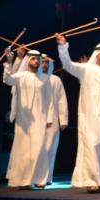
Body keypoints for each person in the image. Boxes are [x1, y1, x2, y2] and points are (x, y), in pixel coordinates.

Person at [57, 27, 100, 193]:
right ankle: (92, 180)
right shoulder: (86, 69)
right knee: (92, 145)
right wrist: (63, 46)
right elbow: (67, 64)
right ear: (97, 54)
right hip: (90, 117)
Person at [3, 49, 52, 189]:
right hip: (23, 121)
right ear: (28, 60)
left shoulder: (44, 79)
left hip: (40, 119)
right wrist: (9, 62)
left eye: (38, 59)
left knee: (39, 148)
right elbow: (7, 80)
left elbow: (49, 100)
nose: (37, 61)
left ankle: (39, 179)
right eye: (33, 59)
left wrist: (49, 118)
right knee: (23, 150)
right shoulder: (20, 76)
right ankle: (24, 180)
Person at [41, 54, 68, 185]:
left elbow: (61, 100)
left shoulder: (55, 80)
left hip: (53, 119)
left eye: (47, 62)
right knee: (38, 149)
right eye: (42, 62)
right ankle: (36, 176)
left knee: (50, 149)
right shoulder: (34, 79)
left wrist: (63, 120)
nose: (44, 64)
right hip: (36, 119)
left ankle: (46, 178)